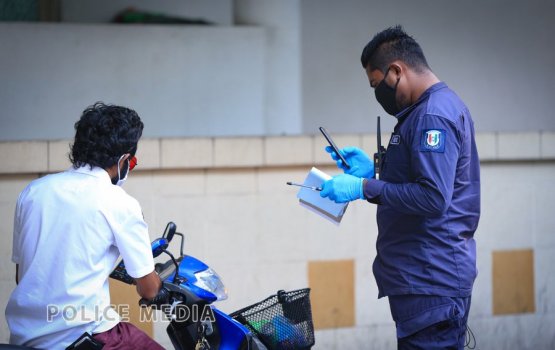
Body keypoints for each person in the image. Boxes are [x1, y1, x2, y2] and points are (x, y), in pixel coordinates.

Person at [320, 26, 480, 349]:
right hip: (423, 284)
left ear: (396, 71)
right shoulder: (423, 113)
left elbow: (432, 197)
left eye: (377, 84)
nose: (377, 93)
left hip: (431, 284)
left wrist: (364, 187)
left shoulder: (433, 116)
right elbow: (418, 179)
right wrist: (375, 171)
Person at [5, 103, 164, 349]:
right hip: (86, 335)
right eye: (131, 162)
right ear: (123, 160)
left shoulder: (33, 191)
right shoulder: (119, 202)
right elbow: (149, 290)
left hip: (25, 337)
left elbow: (21, 275)